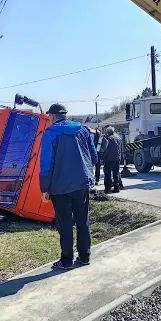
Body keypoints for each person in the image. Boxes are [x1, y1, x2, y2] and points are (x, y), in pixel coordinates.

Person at [40, 104, 98, 269]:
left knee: (64, 223)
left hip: (59, 187)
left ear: (51, 117)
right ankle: (85, 256)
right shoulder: (83, 130)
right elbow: (93, 157)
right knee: (82, 220)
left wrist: (44, 188)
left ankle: (66, 260)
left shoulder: (50, 134)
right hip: (82, 184)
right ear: (66, 115)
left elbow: (46, 164)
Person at [101, 126, 123, 194]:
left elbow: (105, 149)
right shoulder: (118, 137)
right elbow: (121, 147)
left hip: (109, 159)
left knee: (107, 174)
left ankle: (108, 189)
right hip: (117, 158)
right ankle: (117, 188)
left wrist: (102, 157)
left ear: (108, 132)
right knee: (116, 174)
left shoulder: (107, 138)